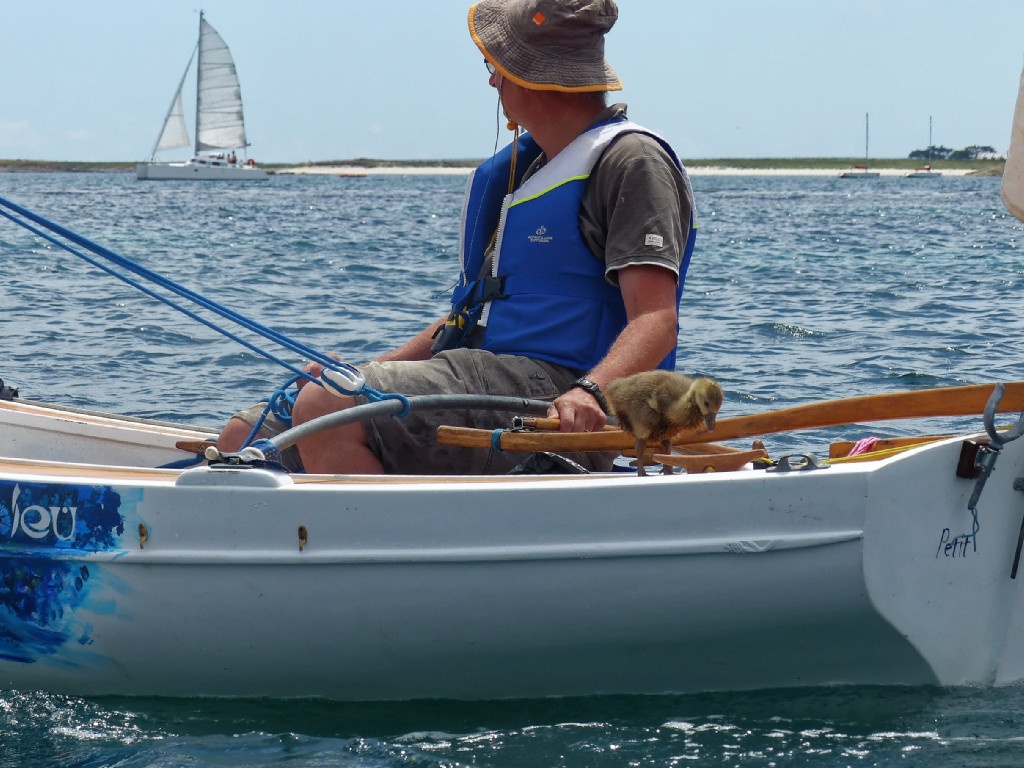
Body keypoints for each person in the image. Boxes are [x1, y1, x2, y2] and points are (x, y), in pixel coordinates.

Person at [217, 0, 696, 475]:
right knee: (248, 435)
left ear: (531, 75)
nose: (491, 81)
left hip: (567, 399)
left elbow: (656, 319)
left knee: (324, 412)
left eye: (496, 67)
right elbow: (469, 316)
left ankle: (386, 545)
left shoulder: (631, 161)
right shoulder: (532, 172)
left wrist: (590, 392)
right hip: (489, 372)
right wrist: (362, 372)